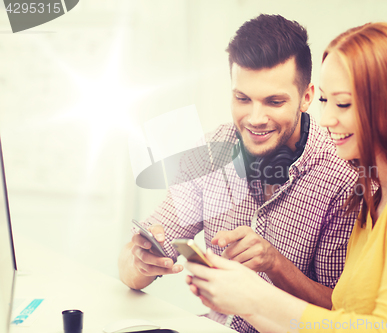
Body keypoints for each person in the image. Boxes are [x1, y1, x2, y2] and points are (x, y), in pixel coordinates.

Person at [185, 22, 387, 332]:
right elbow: (343, 317)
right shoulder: (372, 196)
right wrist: (241, 299)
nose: (327, 119)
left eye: (344, 103)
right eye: (325, 101)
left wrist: (255, 298)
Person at [118, 14, 359, 332]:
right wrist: (140, 262)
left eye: (274, 101)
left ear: (307, 97)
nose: (255, 118)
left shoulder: (342, 178)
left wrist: (275, 264)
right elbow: (131, 265)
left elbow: (338, 311)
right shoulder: (211, 150)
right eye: (242, 98)